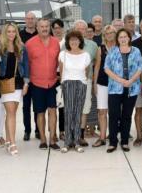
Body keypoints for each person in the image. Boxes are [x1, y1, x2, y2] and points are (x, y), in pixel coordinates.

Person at [103, 29, 142, 152]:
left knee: (126, 115)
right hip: (115, 88)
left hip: (132, 88)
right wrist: (120, 80)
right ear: (117, 39)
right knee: (114, 115)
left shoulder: (136, 51)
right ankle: (113, 142)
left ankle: (124, 141)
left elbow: (140, 67)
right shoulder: (113, 51)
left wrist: (130, 81)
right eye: (120, 37)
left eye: (125, 36)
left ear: (129, 38)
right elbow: (107, 68)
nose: (123, 39)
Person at [25, 18, 61, 150]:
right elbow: (27, 64)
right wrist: (27, 82)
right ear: (37, 28)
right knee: (40, 113)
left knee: (53, 111)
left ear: (49, 27)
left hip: (52, 82)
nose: (44, 28)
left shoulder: (56, 42)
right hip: (36, 83)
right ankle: (43, 139)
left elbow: (59, 62)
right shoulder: (29, 44)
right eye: (42, 26)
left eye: (47, 26)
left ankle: (52, 139)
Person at [0, 23, 28, 156]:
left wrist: (26, 83)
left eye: (13, 31)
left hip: (19, 84)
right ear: (5, 33)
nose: (11, 34)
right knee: (11, 113)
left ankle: (8, 140)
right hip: (5, 84)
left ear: (16, 33)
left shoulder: (21, 47)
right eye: (8, 31)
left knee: (12, 113)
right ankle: (13, 143)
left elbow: (26, 66)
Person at [58, 30, 91, 153]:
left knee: (78, 113)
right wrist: (64, 83)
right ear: (68, 42)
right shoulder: (63, 54)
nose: (74, 42)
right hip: (68, 83)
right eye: (71, 40)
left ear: (80, 41)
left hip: (81, 84)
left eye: (76, 40)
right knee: (68, 112)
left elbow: (86, 72)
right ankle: (67, 142)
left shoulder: (86, 55)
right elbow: (61, 71)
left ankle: (76, 141)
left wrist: (82, 82)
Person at [73, 20, 100, 147]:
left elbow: (97, 64)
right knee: (72, 109)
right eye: (77, 28)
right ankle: (72, 134)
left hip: (86, 81)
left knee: (84, 108)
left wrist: (94, 81)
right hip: (70, 81)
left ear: (86, 30)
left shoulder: (93, 45)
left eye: (82, 29)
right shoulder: (66, 44)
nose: (80, 31)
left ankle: (81, 136)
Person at [92, 25, 116, 147]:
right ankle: (102, 137)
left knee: (114, 112)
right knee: (102, 111)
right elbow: (96, 67)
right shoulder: (100, 48)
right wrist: (95, 83)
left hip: (117, 84)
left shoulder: (119, 47)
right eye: (107, 33)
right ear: (104, 36)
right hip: (102, 83)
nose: (109, 35)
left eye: (112, 33)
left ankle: (113, 136)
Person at [20, 12, 38, 141]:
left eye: (32, 19)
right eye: (28, 19)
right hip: (24, 76)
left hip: (38, 75)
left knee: (38, 106)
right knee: (26, 106)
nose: (30, 21)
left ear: (35, 20)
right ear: (25, 20)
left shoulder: (41, 34)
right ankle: (27, 130)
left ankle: (38, 130)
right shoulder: (19, 36)